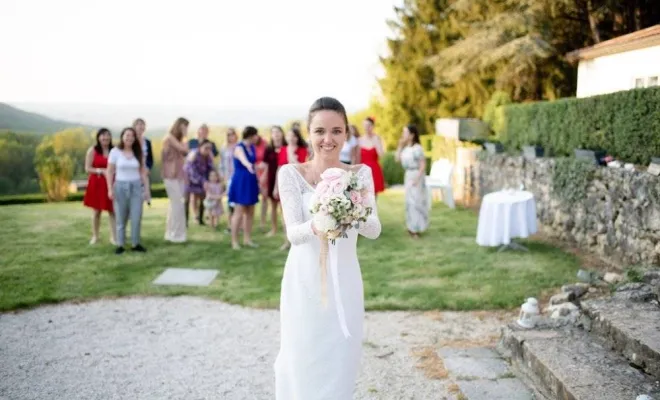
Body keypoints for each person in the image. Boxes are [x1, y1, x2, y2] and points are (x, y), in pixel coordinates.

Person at [275, 96, 381, 399]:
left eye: (336, 131)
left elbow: (374, 230)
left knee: (340, 359)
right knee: (302, 356)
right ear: (309, 133)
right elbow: (294, 234)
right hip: (304, 281)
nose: (328, 139)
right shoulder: (291, 174)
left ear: (346, 133)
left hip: (345, 281)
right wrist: (320, 220)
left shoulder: (360, 174)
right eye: (320, 131)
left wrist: (351, 210)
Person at [106, 127, 150, 254]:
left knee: (136, 216)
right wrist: (110, 188)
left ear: (135, 138)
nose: (129, 138)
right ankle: (120, 244)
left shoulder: (139, 152)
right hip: (120, 186)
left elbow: (143, 172)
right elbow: (109, 171)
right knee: (120, 216)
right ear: (122, 137)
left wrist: (146, 190)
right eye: (127, 135)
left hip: (136, 187)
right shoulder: (115, 152)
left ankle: (135, 243)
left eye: (132, 136)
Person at [227, 126, 260, 250]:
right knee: (239, 212)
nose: (257, 137)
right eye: (256, 135)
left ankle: (247, 239)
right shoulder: (239, 147)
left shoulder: (251, 147)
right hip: (241, 182)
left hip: (250, 181)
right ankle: (234, 241)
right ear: (251, 135)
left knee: (250, 212)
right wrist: (249, 166)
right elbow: (244, 160)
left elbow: (254, 162)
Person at [276, 128, 309, 250]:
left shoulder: (302, 150)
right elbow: (279, 168)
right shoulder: (283, 150)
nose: (291, 138)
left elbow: (301, 166)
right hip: (285, 185)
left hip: (299, 184)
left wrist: (291, 154)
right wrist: (276, 186)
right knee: (285, 214)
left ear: (297, 137)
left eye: (294, 136)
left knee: (300, 213)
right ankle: (287, 241)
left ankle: (300, 239)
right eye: (289, 135)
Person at [83, 128, 116, 245]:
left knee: (113, 211)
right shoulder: (92, 150)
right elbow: (87, 168)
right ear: (98, 137)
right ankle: (95, 237)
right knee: (96, 212)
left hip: (111, 183)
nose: (105, 138)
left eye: (107, 135)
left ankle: (114, 237)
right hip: (96, 183)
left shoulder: (114, 150)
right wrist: (100, 171)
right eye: (103, 136)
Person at [395, 124, 429, 238]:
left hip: (416, 175)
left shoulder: (418, 148)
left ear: (412, 135)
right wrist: (400, 146)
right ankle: (411, 227)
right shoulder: (406, 148)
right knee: (409, 203)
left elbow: (423, 165)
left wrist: (417, 178)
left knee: (416, 202)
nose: (403, 135)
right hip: (408, 174)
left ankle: (416, 229)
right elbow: (397, 160)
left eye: (405, 133)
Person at [162, 117, 189, 243]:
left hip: (178, 175)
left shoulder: (177, 140)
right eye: (184, 127)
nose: (185, 129)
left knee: (174, 206)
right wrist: (185, 136)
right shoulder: (169, 137)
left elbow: (185, 154)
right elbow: (184, 150)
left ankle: (170, 233)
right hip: (170, 175)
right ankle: (178, 235)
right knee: (178, 205)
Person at [185, 139, 215, 225]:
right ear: (200, 147)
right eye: (206, 148)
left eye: (210, 148)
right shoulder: (193, 154)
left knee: (203, 198)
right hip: (189, 179)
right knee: (187, 200)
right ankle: (185, 221)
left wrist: (212, 178)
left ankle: (200, 220)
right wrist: (203, 181)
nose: (208, 150)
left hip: (201, 179)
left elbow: (210, 168)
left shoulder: (208, 156)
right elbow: (191, 171)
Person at [264, 125, 286, 236]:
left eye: (278, 132)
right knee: (273, 205)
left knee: (284, 207)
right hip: (272, 178)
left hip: (284, 179)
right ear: (271, 135)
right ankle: (273, 229)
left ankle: (285, 230)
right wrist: (263, 176)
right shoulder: (269, 149)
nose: (276, 134)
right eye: (273, 132)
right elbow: (266, 165)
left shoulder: (287, 147)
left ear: (282, 133)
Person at [359, 117, 386, 196]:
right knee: (363, 196)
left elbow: (381, 155)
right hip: (363, 170)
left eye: (368, 125)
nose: (366, 128)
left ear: (372, 126)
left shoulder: (377, 138)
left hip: (374, 170)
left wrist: (376, 142)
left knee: (374, 196)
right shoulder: (360, 140)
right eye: (364, 125)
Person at [220, 127, 238, 231]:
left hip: (238, 178)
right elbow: (221, 164)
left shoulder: (239, 147)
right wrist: (223, 176)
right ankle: (230, 225)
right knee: (230, 202)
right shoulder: (224, 148)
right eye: (229, 134)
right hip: (229, 178)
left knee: (238, 202)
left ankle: (238, 224)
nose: (231, 136)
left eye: (232, 134)